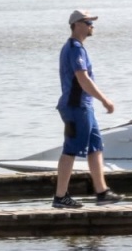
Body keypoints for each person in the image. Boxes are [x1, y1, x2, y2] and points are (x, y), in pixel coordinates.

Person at [53, 10, 123, 208]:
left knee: (95, 147)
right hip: (76, 107)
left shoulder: (79, 48)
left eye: (92, 22)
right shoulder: (74, 48)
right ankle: (60, 197)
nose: (92, 25)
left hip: (85, 107)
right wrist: (104, 99)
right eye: (88, 22)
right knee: (70, 149)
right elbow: (83, 79)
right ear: (77, 24)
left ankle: (102, 192)